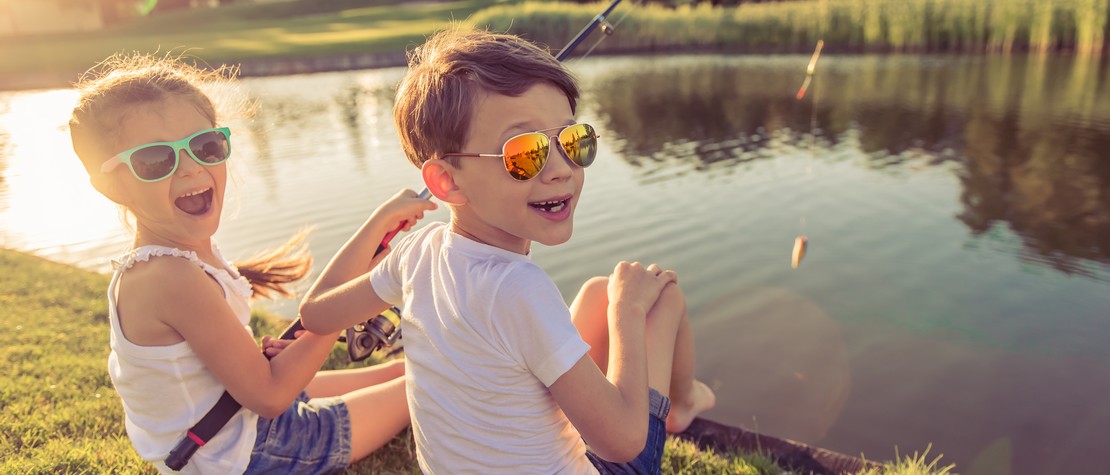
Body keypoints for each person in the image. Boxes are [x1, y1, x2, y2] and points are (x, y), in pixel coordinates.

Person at [299, 26, 716, 474]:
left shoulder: (416, 252)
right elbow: (622, 444)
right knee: (658, 297)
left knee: (599, 291)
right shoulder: (519, 288)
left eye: (572, 141)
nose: (560, 169)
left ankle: (674, 395)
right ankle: (682, 403)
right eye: (525, 153)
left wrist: (376, 224)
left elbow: (316, 315)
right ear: (447, 181)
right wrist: (628, 316)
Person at [69, 53, 430, 474]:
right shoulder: (169, 277)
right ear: (111, 185)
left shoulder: (181, 256)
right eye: (155, 160)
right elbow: (272, 395)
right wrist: (343, 313)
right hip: (247, 453)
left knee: (412, 367)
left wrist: (377, 224)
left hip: (236, 422)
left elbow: (309, 316)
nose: (190, 168)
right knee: (434, 380)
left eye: (205, 146)